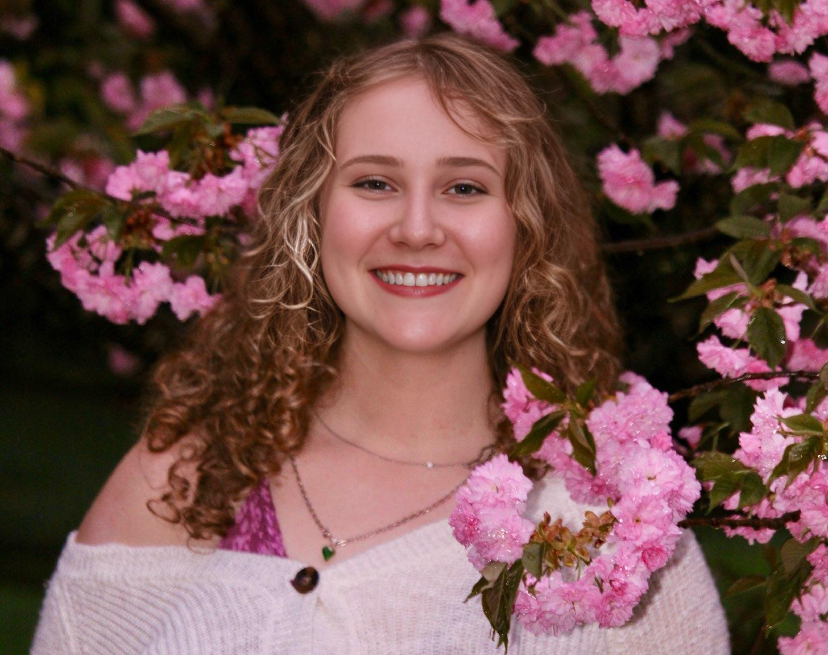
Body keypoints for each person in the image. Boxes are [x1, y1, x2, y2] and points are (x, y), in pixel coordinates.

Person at [31, 32, 729, 654]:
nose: (417, 227)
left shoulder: (613, 526)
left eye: (463, 186)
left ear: (526, 226)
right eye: (374, 182)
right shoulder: (186, 478)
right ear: (313, 214)